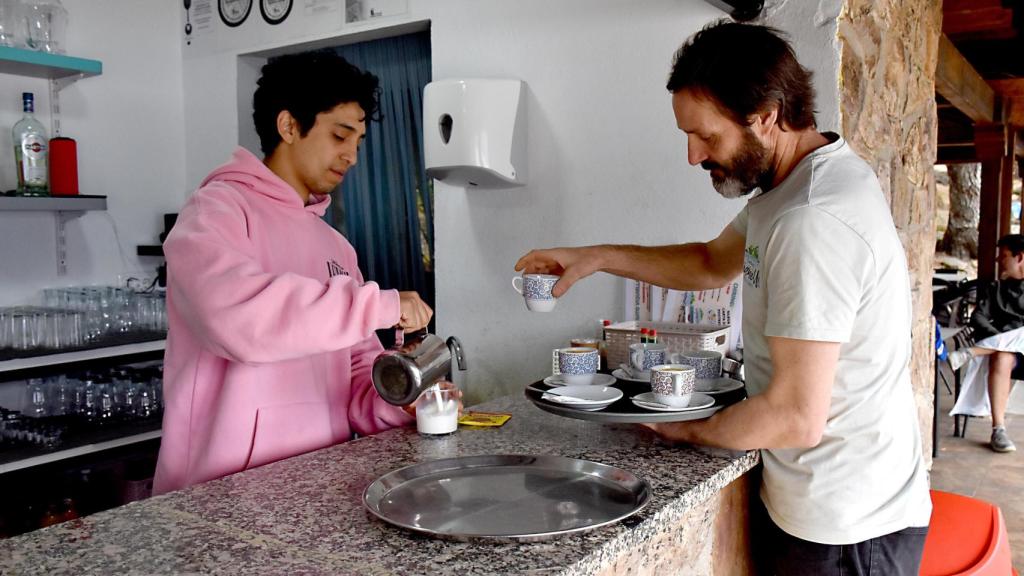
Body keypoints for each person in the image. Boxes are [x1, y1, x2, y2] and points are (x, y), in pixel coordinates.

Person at [516, 21, 931, 575]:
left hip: (847, 528)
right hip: (837, 507)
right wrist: (595, 256)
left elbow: (794, 416)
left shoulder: (813, 220)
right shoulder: (794, 188)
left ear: (766, 117)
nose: (693, 155)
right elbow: (712, 262)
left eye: (707, 136)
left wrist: (684, 428)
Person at [153, 51, 435, 494]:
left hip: (318, 488)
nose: (352, 156)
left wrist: (401, 399)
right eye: (340, 135)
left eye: (358, 142)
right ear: (288, 126)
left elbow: (356, 372)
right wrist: (379, 305)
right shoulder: (215, 212)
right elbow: (238, 319)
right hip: (218, 496)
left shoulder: (335, 246)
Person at [948, 233, 1024, 453]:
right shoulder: (997, 288)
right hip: (1009, 355)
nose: (999, 260)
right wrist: (999, 339)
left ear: (1019, 257)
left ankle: (973, 352)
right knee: (1001, 356)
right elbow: (978, 317)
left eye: (1004, 255)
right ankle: (998, 429)